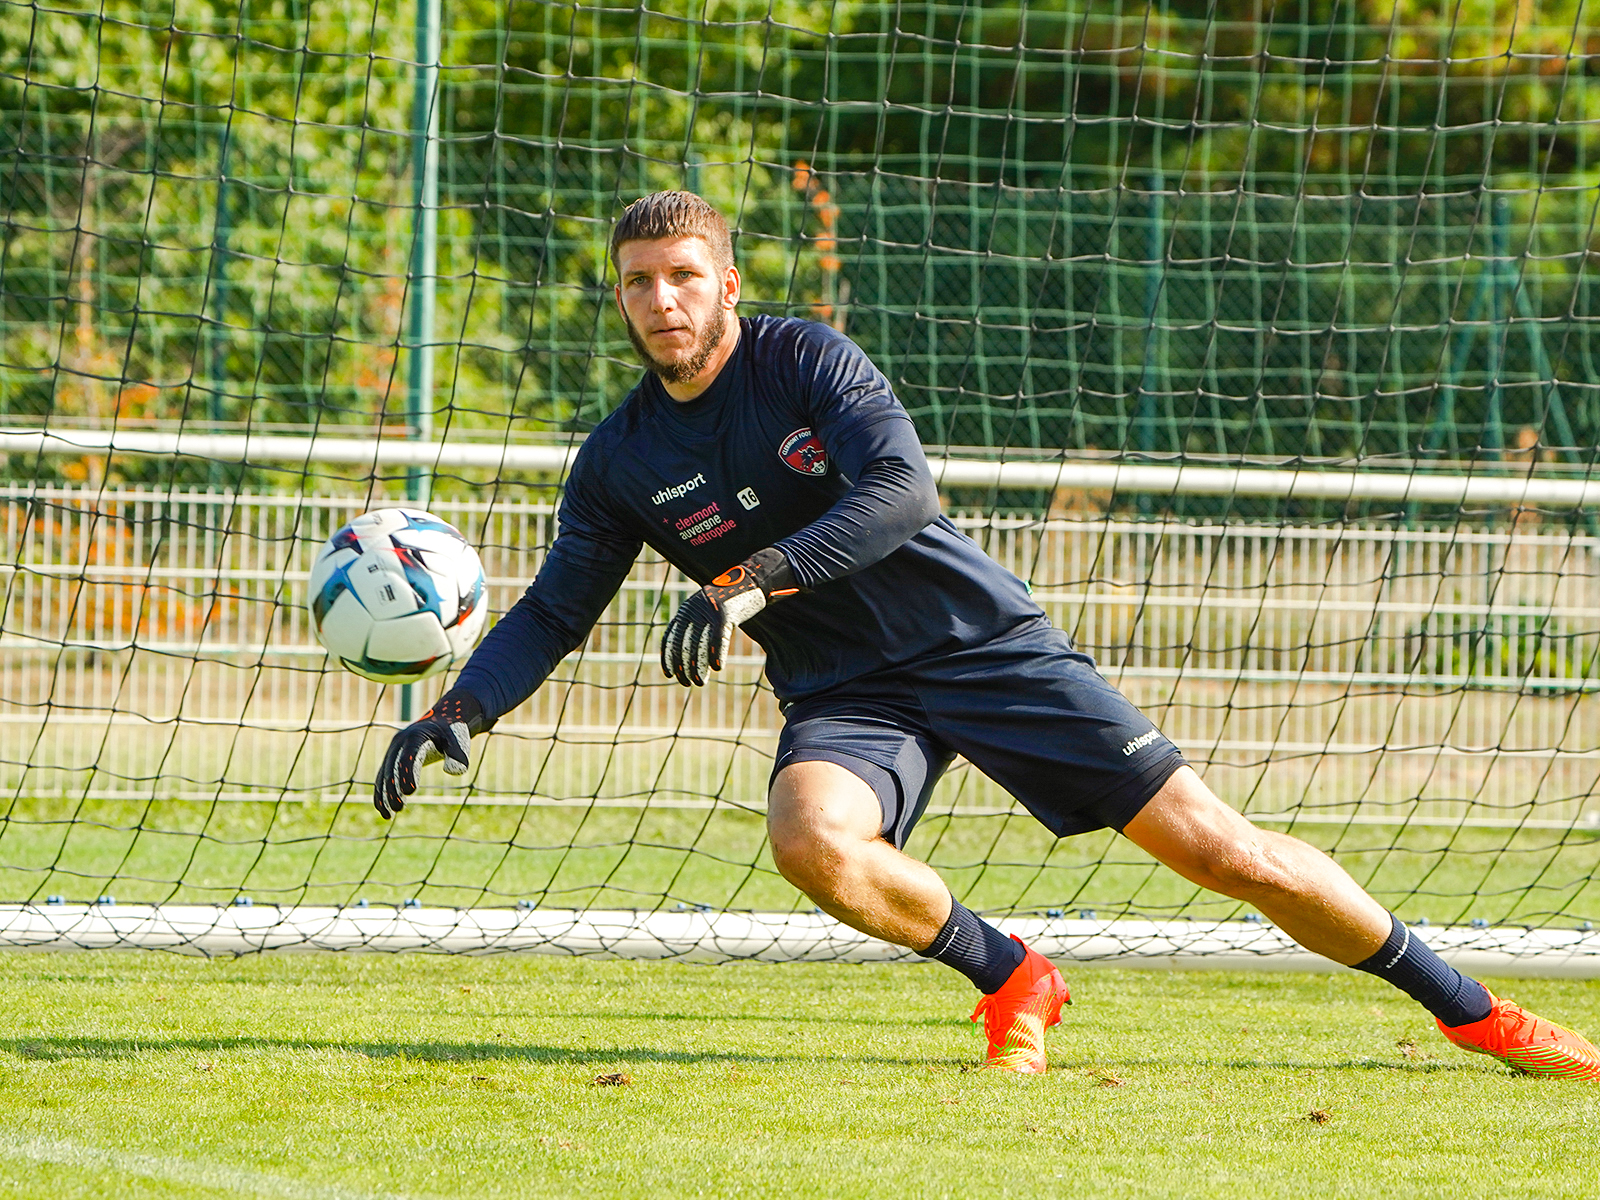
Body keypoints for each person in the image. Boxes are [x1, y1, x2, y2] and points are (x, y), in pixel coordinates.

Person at [374, 190, 1599, 1078]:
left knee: (1226, 856)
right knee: (811, 841)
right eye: (638, 280)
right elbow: (551, 609)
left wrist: (756, 575)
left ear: (727, 284)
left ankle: (1475, 1011)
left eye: (684, 275)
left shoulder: (804, 360)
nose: (661, 300)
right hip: (850, 692)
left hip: (979, 645)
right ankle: (1010, 974)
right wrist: (457, 709)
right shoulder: (621, 458)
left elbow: (902, 491)